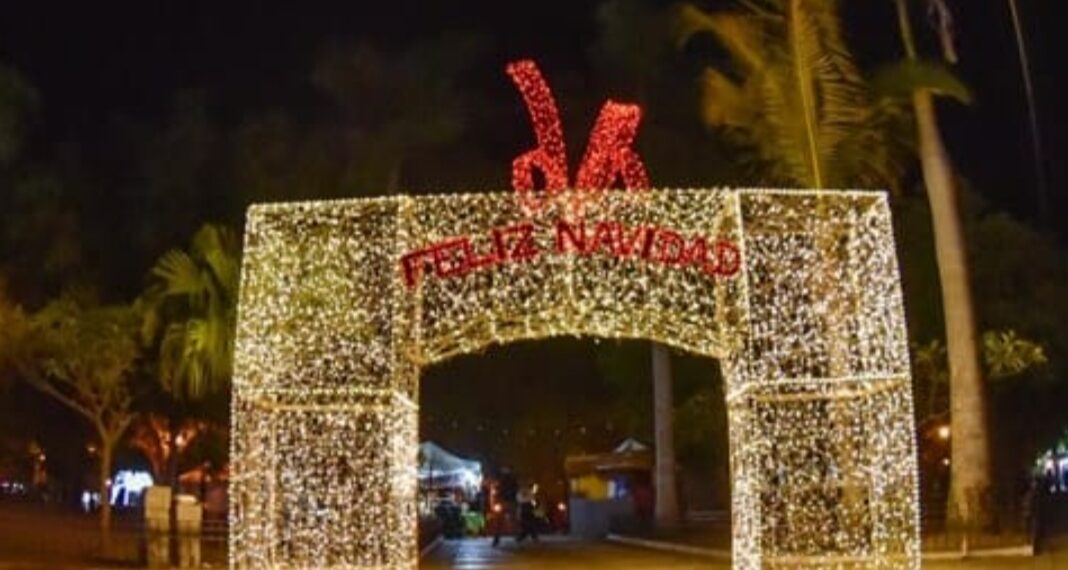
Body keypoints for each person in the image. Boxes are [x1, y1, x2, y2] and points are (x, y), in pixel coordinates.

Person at [492, 466, 519, 546]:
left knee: (503, 520)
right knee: (504, 520)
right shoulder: (504, 480)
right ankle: (498, 537)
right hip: (506, 501)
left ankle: (516, 535)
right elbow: (498, 490)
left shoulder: (505, 480)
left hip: (507, 501)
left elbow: (498, 490)